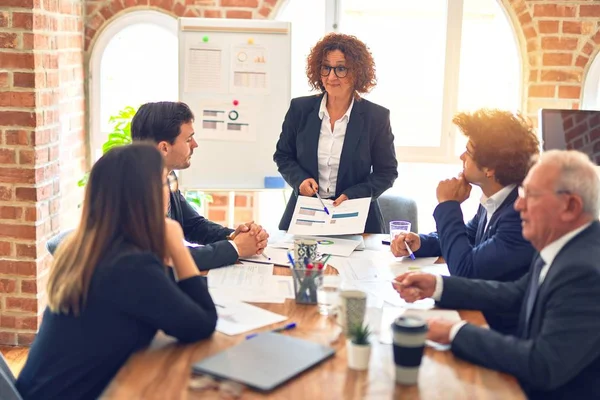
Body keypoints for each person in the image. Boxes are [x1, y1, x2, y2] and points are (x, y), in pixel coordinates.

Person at [393, 150, 600, 400]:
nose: (518, 204)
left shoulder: (584, 271)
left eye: (530, 195)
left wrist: (455, 331)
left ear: (570, 206)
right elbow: (515, 293)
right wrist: (437, 285)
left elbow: (543, 364)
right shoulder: (563, 245)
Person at [16, 143, 218, 400]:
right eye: (167, 182)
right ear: (146, 197)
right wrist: (177, 246)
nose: (171, 192)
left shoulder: (93, 249)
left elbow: (170, 299)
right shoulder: (128, 266)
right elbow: (202, 324)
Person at [391, 109, 539, 333]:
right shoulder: (495, 199)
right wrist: (419, 242)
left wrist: (447, 205)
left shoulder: (518, 215)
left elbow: (465, 269)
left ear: (490, 169)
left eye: (468, 152)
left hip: (497, 328)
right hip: (476, 311)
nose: (462, 157)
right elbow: (466, 237)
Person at [273, 33, 398, 233]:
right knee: (299, 264)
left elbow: (387, 172)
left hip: (356, 216)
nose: (331, 77)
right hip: (306, 212)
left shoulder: (376, 117)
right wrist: (300, 181)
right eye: (326, 67)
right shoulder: (300, 109)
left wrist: (354, 195)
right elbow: (283, 155)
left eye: (341, 68)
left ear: (357, 72)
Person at [130, 101, 269, 270]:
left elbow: (193, 225)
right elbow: (167, 259)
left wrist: (235, 236)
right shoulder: (133, 192)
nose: (195, 144)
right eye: (188, 139)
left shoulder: (166, 175)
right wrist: (235, 248)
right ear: (164, 148)